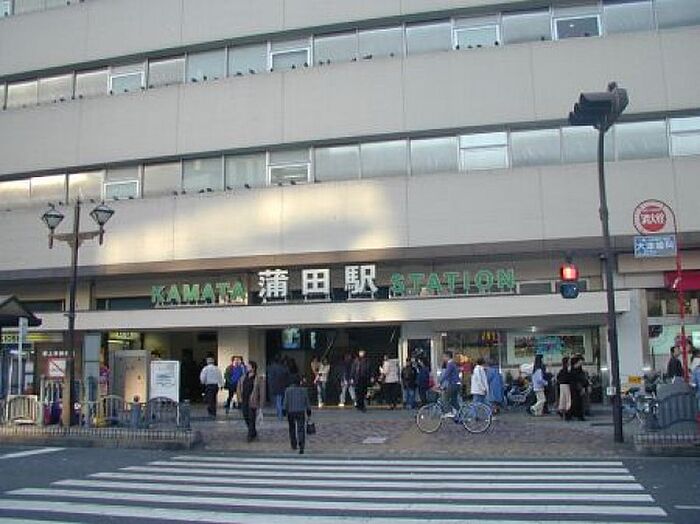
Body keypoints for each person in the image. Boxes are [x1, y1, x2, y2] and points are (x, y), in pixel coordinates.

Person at [283, 374, 312, 454]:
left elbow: (285, 402)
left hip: (291, 411)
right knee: (301, 428)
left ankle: (293, 444)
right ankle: (301, 444)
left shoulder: (288, 390)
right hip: (300, 411)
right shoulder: (304, 390)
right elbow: (307, 401)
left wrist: (284, 410)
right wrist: (308, 410)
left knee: (292, 428)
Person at [237, 360, 264, 442]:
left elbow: (262, 392)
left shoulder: (258, 378)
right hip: (244, 400)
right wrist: (239, 398)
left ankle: (250, 435)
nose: (247, 368)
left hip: (253, 401)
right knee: (246, 416)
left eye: (248, 366)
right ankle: (253, 432)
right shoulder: (243, 377)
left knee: (252, 418)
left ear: (253, 368)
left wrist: (261, 404)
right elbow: (239, 387)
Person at [267, 356, 289, 420]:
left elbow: (270, 379)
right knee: (281, 401)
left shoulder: (272, 368)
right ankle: (281, 414)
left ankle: (280, 415)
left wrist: (270, 387)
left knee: (278, 402)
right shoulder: (284, 368)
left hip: (276, 387)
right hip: (283, 386)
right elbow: (287, 376)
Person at [569, 356, 589, 421]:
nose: (581, 363)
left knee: (577, 401)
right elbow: (580, 378)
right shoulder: (575, 370)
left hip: (577, 387)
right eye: (580, 362)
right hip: (576, 387)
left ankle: (576, 415)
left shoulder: (575, 369)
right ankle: (576, 415)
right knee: (576, 401)